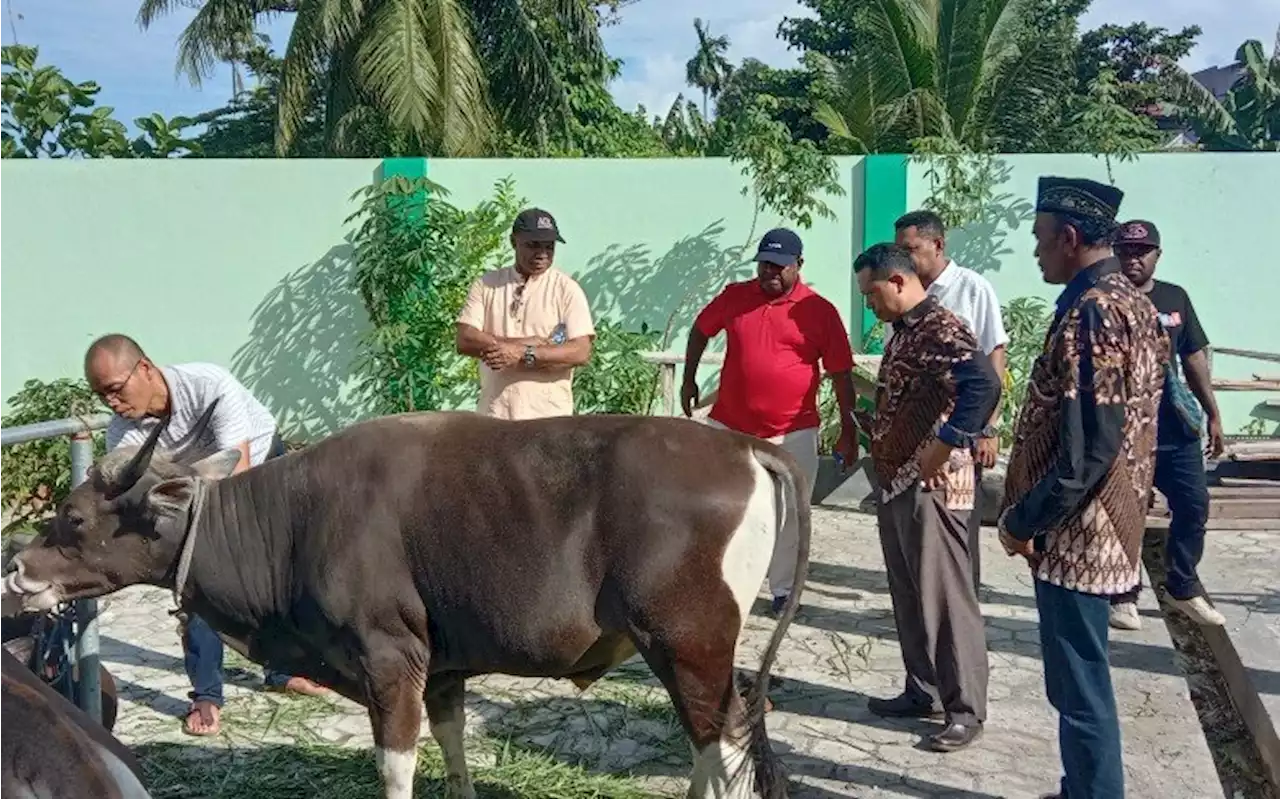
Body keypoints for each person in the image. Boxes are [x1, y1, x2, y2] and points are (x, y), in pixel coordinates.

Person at [998, 177, 1168, 799]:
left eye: (1041, 240)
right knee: (1081, 681)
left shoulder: (1092, 309)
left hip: (1078, 532)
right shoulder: (1134, 301)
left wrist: (1024, 519)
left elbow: (1091, 446)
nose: (1037, 252)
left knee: (1078, 686)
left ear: (1069, 239)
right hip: (1105, 523)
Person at [83, 334, 328, 737]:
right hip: (191, 491)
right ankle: (207, 695)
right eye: (101, 395)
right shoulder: (123, 435)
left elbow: (240, 470)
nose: (111, 402)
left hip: (261, 467)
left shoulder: (209, 386)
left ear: (145, 368)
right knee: (198, 578)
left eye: (114, 389)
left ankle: (286, 669)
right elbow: (135, 497)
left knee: (283, 573)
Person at [855, 242, 1001, 753]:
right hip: (897, 482)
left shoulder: (942, 327)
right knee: (909, 592)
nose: (868, 305)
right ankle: (923, 690)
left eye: (871, 294)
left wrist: (946, 444)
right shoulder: (905, 332)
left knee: (944, 596)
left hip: (934, 485)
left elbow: (984, 385)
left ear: (897, 281)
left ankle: (964, 709)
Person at [681, 228, 859, 615]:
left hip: (793, 432)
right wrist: (688, 379)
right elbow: (700, 331)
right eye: (765, 264)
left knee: (791, 514)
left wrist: (848, 431)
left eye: (780, 266)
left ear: (799, 266)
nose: (770, 273)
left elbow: (841, 374)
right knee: (717, 509)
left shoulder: (819, 310)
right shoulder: (734, 298)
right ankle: (716, 584)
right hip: (729, 427)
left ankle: (783, 591)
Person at [1107, 219, 1226, 630]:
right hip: (1124, 432)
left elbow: (1193, 356)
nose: (1133, 258)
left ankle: (1183, 585)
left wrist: (1212, 412)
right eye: (1124, 251)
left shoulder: (1175, 297)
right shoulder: (1101, 299)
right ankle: (1122, 595)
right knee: (1127, 513)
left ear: (1158, 254)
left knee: (1194, 507)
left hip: (1175, 428)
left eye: (1142, 251)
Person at [892, 209, 1010, 591]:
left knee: (958, 522)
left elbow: (994, 360)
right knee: (924, 524)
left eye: (911, 249)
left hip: (959, 431)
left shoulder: (972, 289)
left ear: (938, 245)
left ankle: (962, 601)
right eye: (899, 250)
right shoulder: (907, 295)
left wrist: (988, 427)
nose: (904, 258)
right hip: (915, 437)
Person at [456, 207, 595, 420]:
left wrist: (524, 354)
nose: (542, 254)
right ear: (514, 242)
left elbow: (580, 351)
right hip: (495, 417)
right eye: (532, 245)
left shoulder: (566, 289)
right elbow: (465, 338)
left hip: (549, 420)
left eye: (549, 246)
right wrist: (522, 344)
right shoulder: (487, 285)